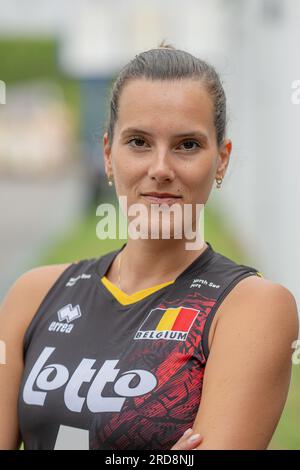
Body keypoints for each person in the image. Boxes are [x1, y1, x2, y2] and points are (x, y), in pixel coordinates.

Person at [0, 41, 299, 451]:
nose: (160, 169)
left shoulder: (252, 307)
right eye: (139, 142)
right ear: (108, 155)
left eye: (187, 145)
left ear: (222, 160)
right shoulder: (32, 296)